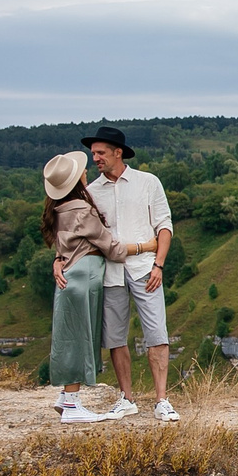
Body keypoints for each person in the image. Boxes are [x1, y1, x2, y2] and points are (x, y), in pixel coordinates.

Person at [41, 150, 155, 422]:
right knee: (79, 337)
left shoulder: (59, 209)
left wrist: (58, 260)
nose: (85, 171)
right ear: (75, 180)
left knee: (71, 334)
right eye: (80, 171)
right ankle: (71, 403)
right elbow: (111, 248)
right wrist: (146, 246)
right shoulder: (82, 210)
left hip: (71, 273)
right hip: (84, 276)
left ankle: (66, 396)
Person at [81, 124, 181, 421]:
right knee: (114, 337)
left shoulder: (147, 182)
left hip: (145, 269)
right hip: (109, 273)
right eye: (93, 153)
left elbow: (164, 225)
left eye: (100, 153)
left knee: (157, 334)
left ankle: (162, 400)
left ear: (117, 152)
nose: (95, 158)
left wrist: (159, 265)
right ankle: (126, 398)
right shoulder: (91, 192)